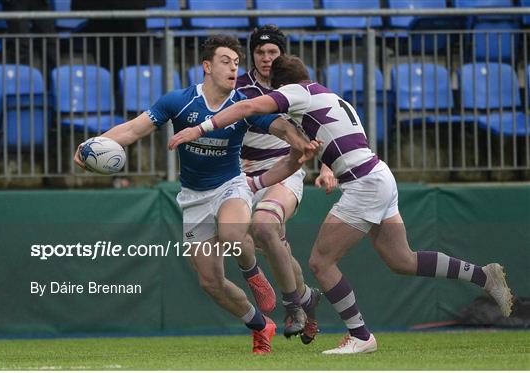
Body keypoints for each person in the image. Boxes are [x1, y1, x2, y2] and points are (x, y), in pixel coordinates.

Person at [169, 54, 514, 355]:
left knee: (321, 262)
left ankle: (360, 335)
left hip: (364, 185)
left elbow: (245, 107)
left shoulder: (297, 93)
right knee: (402, 260)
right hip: (379, 176)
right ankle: (484, 276)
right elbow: (300, 158)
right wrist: (258, 182)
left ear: (283, 86)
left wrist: (201, 129)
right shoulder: (331, 98)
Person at [74, 37, 319, 354]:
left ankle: (253, 272)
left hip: (231, 185)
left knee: (233, 232)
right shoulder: (179, 101)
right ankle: (260, 325)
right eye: (226, 61)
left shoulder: (242, 104)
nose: (234, 68)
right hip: (193, 196)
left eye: (236, 62)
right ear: (207, 66)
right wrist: (91, 145)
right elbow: (133, 130)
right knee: (210, 282)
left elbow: (280, 127)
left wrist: (298, 141)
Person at [235, 24, 336, 343]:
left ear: (283, 54)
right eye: (260, 52)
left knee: (264, 228)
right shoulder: (238, 87)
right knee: (268, 244)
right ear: (251, 55)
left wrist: (327, 166)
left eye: (272, 52)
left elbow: (327, 126)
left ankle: (293, 306)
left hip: (287, 167)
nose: (266, 58)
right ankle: (307, 297)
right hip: (243, 175)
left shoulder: (297, 88)